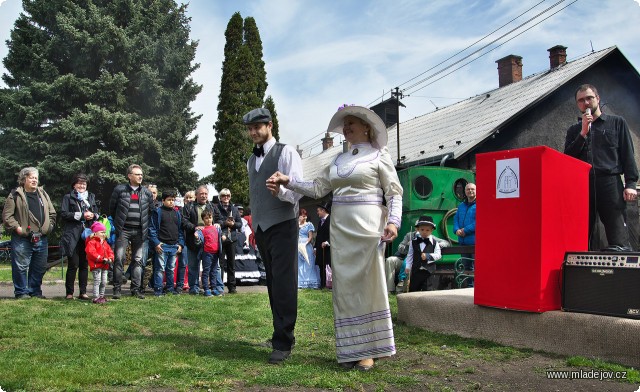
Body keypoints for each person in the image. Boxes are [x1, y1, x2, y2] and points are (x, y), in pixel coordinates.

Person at [268, 105, 403, 371]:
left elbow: (394, 192)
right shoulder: (338, 160)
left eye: (352, 123)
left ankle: (370, 351)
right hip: (341, 230)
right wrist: (288, 180)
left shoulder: (379, 156)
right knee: (344, 289)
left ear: (367, 127)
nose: (347, 127)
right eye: (345, 124)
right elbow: (318, 187)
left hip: (367, 228)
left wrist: (393, 222)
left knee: (367, 286)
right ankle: (350, 349)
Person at [244, 107, 303, 365]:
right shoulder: (251, 160)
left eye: (258, 127)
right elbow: (256, 196)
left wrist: (280, 192)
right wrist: (255, 227)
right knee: (271, 283)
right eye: (250, 128)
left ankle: (284, 341)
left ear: (269, 126)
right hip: (263, 228)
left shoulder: (286, 152)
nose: (253, 132)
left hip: (283, 224)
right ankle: (280, 333)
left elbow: (297, 189)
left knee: (284, 282)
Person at [564, 84, 638, 251]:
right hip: (583, 186)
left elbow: (627, 154)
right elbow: (567, 160)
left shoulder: (616, 123)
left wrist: (631, 184)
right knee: (580, 236)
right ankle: (582, 274)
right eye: (581, 100)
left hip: (609, 183)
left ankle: (620, 274)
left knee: (618, 236)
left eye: (589, 98)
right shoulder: (574, 130)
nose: (586, 103)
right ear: (578, 105)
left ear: (598, 98)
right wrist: (583, 133)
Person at [2, 167, 57, 299]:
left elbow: (52, 213)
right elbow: (7, 216)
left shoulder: (43, 194)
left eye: (36, 178)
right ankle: (21, 292)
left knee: (39, 267)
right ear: (23, 179)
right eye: (31, 177)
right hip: (23, 238)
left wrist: (49, 227)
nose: (34, 180)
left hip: (42, 237)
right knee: (20, 266)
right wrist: (18, 228)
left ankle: (35, 292)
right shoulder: (15, 194)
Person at [108, 164, 154, 299]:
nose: (140, 176)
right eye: (137, 174)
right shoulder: (120, 190)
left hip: (140, 232)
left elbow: (150, 211)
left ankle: (136, 290)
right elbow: (112, 208)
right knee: (119, 259)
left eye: (141, 174)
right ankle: (117, 289)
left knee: (138, 260)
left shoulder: (146, 193)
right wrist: (119, 225)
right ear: (129, 176)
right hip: (123, 231)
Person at [60, 173, 98, 300]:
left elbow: (97, 213)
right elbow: (64, 214)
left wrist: (93, 215)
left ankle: (83, 292)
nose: (82, 186)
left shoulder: (91, 197)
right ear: (74, 185)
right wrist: (82, 215)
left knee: (84, 264)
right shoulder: (68, 197)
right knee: (73, 264)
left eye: (84, 183)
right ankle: (69, 293)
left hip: (87, 234)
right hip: (73, 234)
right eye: (79, 183)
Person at [182, 185, 220, 295]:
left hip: (210, 242)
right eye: (201, 194)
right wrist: (195, 227)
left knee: (213, 267)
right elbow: (184, 221)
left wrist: (218, 223)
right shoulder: (188, 207)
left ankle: (216, 287)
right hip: (194, 240)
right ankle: (194, 288)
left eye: (205, 194)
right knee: (193, 265)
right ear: (196, 195)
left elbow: (220, 219)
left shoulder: (213, 206)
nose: (203, 196)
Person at [386, 230, 450, 294]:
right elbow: (400, 248)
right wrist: (407, 246)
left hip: (418, 262)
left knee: (410, 263)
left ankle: (403, 288)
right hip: (404, 258)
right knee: (390, 260)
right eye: (420, 228)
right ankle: (389, 290)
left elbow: (446, 243)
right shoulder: (409, 235)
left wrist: (435, 245)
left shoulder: (430, 238)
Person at [149, 189, 184, 296]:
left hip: (174, 246)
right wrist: (156, 243)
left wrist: (180, 244)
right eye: (169, 200)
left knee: (171, 269)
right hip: (162, 246)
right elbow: (152, 228)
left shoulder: (177, 213)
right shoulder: (158, 212)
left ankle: (170, 289)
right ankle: (158, 290)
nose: (171, 202)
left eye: (173, 200)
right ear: (163, 200)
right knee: (160, 269)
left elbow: (180, 230)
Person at [404, 216, 442, 292]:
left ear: (432, 230)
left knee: (427, 290)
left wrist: (428, 256)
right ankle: (413, 302)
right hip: (416, 270)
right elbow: (410, 255)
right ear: (418, 229)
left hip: (428, 271)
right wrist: (408, 266)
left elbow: (438, 255)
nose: (424, 232)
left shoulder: (434, 243)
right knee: (414, 289)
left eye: (427, 230)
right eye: (422, 229)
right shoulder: (413, 242)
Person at [216, 188, 242, 294]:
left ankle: (232, 287)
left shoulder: (235, 209)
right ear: (220, 197)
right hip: (221, 238)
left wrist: (233, 224)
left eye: (228, 195)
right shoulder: (216, 208)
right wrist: (225, 223)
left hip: (232, 239)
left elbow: (240, 223)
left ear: (230, 197)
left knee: (232, 264)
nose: (226, 197)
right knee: (220, 264)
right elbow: (215, 221)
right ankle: (220, 286)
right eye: (223, 195)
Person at [196, 210, 223, 297]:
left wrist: (224, 236)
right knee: (206, 271)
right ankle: (206, 289)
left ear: (212, 218)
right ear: (203, 220)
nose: (208, 220)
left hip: (216, 253)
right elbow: (198, 242)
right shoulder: (202, 230)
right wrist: (196, 237)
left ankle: (214, 289)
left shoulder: (217, 228)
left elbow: (221, 236)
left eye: (210, 218)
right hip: (206, 253)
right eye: (206, 218)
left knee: (214, 271)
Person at [85, 221, 114, 304]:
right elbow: (91, 253)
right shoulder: (92, 242)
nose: (103, 234)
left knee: (104, 281)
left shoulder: (105, 243)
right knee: (97, 281)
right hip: (96, 265)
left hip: (104, 265)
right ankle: (96, 297)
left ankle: (101, 296)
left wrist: (110, 258)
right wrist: (100, 258)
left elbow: (110, 251)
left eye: (104, 232)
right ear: (95, 233)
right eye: (101, 232)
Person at [454, 182, 476, 286]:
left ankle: (475, 288)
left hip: (474, 242)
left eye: (472, 189)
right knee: (466, 267)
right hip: (462, 243)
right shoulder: (461, 206)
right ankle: (469, 287)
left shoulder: (480, 205)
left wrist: (465, 231)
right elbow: (456, 219)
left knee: (475, 267)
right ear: (465, 192)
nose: (470, 191)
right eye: (468, 189)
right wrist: (456, 230)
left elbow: (479, 222)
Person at [297, 209, 320, 289]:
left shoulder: (309, 225)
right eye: (301, 216)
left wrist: (305, 244)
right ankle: (299, 281)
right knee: (298, 264)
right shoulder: (297, 225)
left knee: (308, 263)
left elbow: (310, 237)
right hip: (298, 245)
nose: (303, 217)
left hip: (306, 245)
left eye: (304, 216)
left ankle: (309, 281)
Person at [314, 202, 331, 288]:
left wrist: (327, 242)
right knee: (321, 266)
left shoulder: (331, 219)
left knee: (329, 266)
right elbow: (318, 235)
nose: (317, 213)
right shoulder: (320, 221)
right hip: (320, 248)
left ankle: (331, 285)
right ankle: (323, 284)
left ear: (323, 210)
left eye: (318, 211)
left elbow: (334, 233)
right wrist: (315, 247)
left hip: (329, 248)